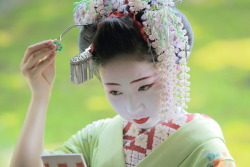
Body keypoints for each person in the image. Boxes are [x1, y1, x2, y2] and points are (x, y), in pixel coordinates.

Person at [10, 0, 236, 167]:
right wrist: (40, 96)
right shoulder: (98, 137)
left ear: (173, 70)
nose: (132, 107)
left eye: (144, 86)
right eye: (115, 91)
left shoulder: (203, 145)